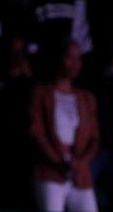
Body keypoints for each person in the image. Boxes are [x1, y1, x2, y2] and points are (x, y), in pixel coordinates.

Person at [29, 39, 100, 211]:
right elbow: (36, 131)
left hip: (79, 174)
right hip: (50, 172)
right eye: (69, 57)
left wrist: (80, 163)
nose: (75, 63)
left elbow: (94, 138)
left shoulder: (86, 98)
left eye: (78, 58)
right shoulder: (41, 93)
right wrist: (58, 160)